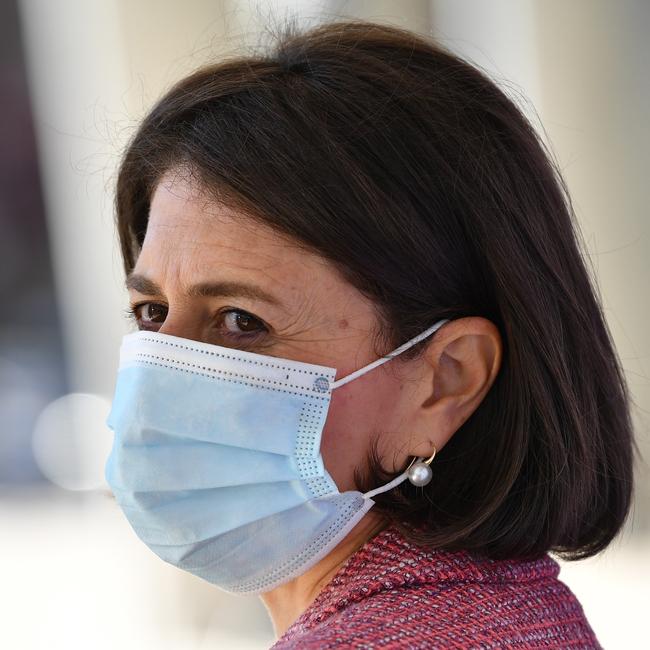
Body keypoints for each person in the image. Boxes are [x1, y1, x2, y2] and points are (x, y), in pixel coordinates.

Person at [104, 19, 636, 649]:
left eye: (243, 321)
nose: (167, 372)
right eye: (152, 313)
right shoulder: (517, 608)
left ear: (446, 380)